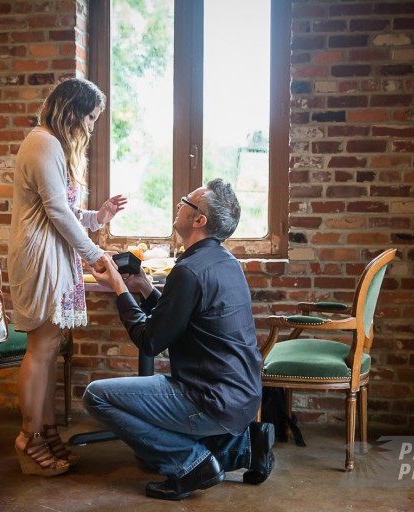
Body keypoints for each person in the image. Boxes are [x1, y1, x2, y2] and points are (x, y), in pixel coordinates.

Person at [85, 179, 275, 500]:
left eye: (187, 200)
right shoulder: (225, 262)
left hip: (209, 400)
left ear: (199, 220)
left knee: (96, 396)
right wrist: (144, 286)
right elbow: (178, 319)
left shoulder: (187, 271)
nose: (180, 203)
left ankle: (190, 463)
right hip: (243, 398)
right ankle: (243, 449)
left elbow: (149, 341)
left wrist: (118, 286)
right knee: (148, 434)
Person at [8, 77, 127, 477]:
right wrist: (93, 255)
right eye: (91, 117)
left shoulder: (52, 145)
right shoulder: (42, 142)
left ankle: (46, 430)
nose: (92, 127)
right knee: (40, 351)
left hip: (55, 254)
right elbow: (56, 213)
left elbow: (63, 210)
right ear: (72, 111)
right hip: (41, 257)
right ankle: (27, 438)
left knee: (51, 349)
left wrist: (99, 217)